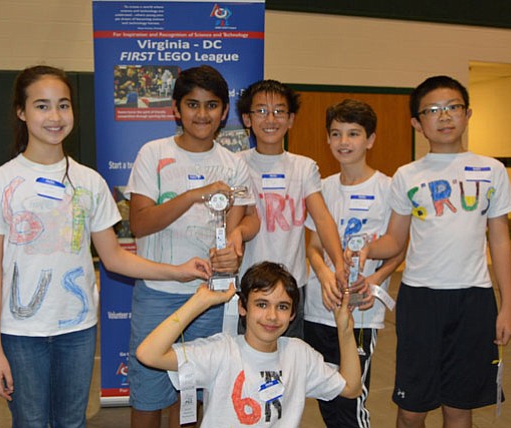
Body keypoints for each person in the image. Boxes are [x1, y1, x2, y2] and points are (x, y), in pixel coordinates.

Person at [0, 65, 212, 428]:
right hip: (20, 335)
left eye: (63, 105)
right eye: (42, 106)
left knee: (71, 422)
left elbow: (114, 258)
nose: (55, 116)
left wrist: (179, 271)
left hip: (77, 332)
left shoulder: (89, 182)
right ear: (21, 111)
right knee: (30, 422)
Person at [354, 76, 511, 428]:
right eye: (433, 110)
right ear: (417, 123)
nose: (444, 117)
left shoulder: (492, 170)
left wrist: (507, 307)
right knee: (412, 410)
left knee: (459, 409)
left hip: (474, 300)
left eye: (453, 107)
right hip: (421, 301)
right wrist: (364, 248)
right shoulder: (407, 175)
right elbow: (395, 241)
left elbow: (500, 240)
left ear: (467, 113)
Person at [125, 65, 259, 428]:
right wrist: (193, 195)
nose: (203, 114)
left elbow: (241, 226)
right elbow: (139, 223)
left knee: (198, 395)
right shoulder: (153, 154)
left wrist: (235, 247)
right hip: (158, 293)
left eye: (212, 105)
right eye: (193, 104)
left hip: (211, 296)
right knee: (149, 396)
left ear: (224, 111)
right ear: (175, 109)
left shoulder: (234, 165)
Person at [136, 261, 362, 427]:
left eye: (282, 307)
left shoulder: (299, 354)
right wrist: (198, 302)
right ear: (242, 307)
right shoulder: (221, 351)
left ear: (293, 314)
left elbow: (351, 389)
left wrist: (345, 329)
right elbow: (148, 354)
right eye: (262, 304)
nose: (272, 316)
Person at [305, 99, 406, 428]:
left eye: (353, 134)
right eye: (336, 134)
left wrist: (374, 281)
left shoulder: (388, 188)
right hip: (319, 309)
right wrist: (323, 275)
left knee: (351, 399)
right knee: (326, 394)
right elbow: (314, 246)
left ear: (371, 139)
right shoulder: (321, 188)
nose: (343, 142)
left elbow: (399, 248)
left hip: (361, 311)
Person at [236, 80, 345, 338]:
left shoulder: (304, 167)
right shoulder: (236, 164)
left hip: (293, 285)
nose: (270, 119)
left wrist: (339, 264)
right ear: (247, 119)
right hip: (248, 286)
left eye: (279, 111)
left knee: (289, 364)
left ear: (291, 119)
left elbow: (323, 219)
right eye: (261, 111)